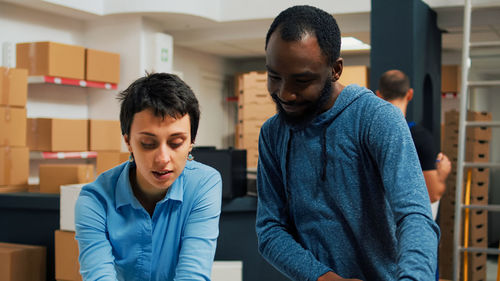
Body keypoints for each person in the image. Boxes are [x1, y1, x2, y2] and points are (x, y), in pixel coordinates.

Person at [255, 5, 440, 281]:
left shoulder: (377, 119)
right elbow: (270, 229)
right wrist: (324, 277)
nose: (285, 94)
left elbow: (415, 215)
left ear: (336, 70)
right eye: (274, 77)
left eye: (301, 81)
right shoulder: (273, 134)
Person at [75, 73, 222, 281]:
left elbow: (192, 275)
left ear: (191, 142)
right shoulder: (95, 200)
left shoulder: (204, 184)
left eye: (176, 142)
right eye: (148, 143)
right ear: (128, 142)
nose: (163, 159)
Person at [376, 69, 452, 221]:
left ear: (378, 95)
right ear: (410, 94)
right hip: (402, 227)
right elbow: (433, 194)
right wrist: (442, 175)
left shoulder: (366, 132)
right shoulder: (420, 138)